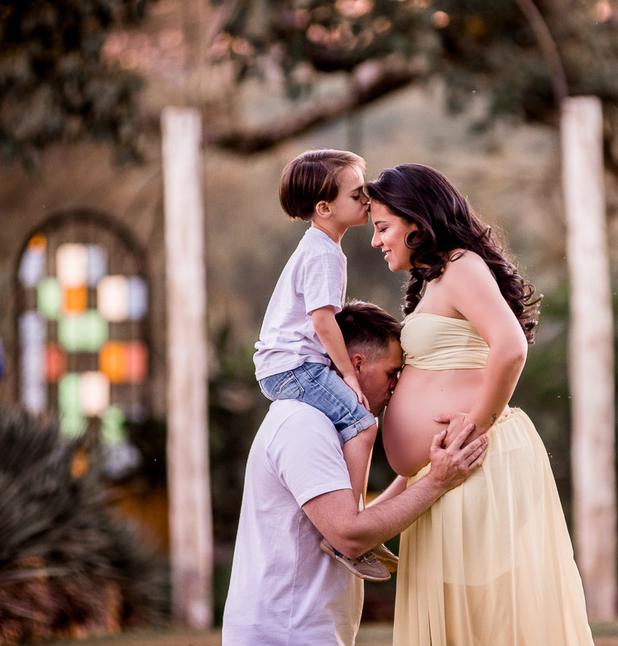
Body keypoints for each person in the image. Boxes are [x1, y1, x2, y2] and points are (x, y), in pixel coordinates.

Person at [366, 163, 596, 646]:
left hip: (477, 464)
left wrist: (478, 421)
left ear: (416, 220)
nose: (376, 241)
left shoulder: (459, 265)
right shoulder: (433, 280)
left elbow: (511, 347)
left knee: (490, 619)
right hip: (448, 472)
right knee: (466, 619)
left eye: (382, 227)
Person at [222, 301, 489, 646]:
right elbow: (348, 538)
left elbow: (357, 520)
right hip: (283, 635)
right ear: (357, 365)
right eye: (392, 372)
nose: (397, 386)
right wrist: (437, 482)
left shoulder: (333, 428)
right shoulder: (304, 425)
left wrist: (425, 469)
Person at [253, 148, 389, 580]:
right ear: (324, 207)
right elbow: (323, 319)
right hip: (292, 367)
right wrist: (348, 374)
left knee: (350, 424)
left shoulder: (320, 247)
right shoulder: (324, 254)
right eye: (358, 195)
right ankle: (349, 529)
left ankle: (350, 519)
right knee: (363, 423)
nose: (367, 200)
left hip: (285, 365)